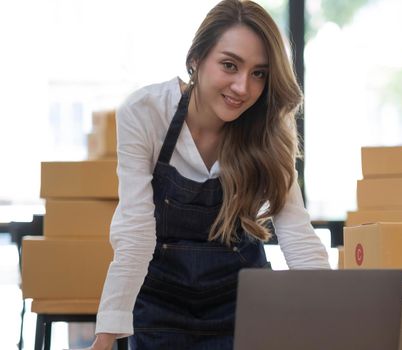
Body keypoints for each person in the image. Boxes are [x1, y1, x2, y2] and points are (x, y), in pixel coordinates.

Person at [89, 0, 330, 349]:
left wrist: (333, 324)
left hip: (245, 307)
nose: (243, 87)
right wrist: (106, 337)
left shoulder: (269, 131)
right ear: (195, 60)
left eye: (259, 73)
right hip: (160, 309)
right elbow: (135, 231)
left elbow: (298, 238)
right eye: (229, 65)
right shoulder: (145, 113)